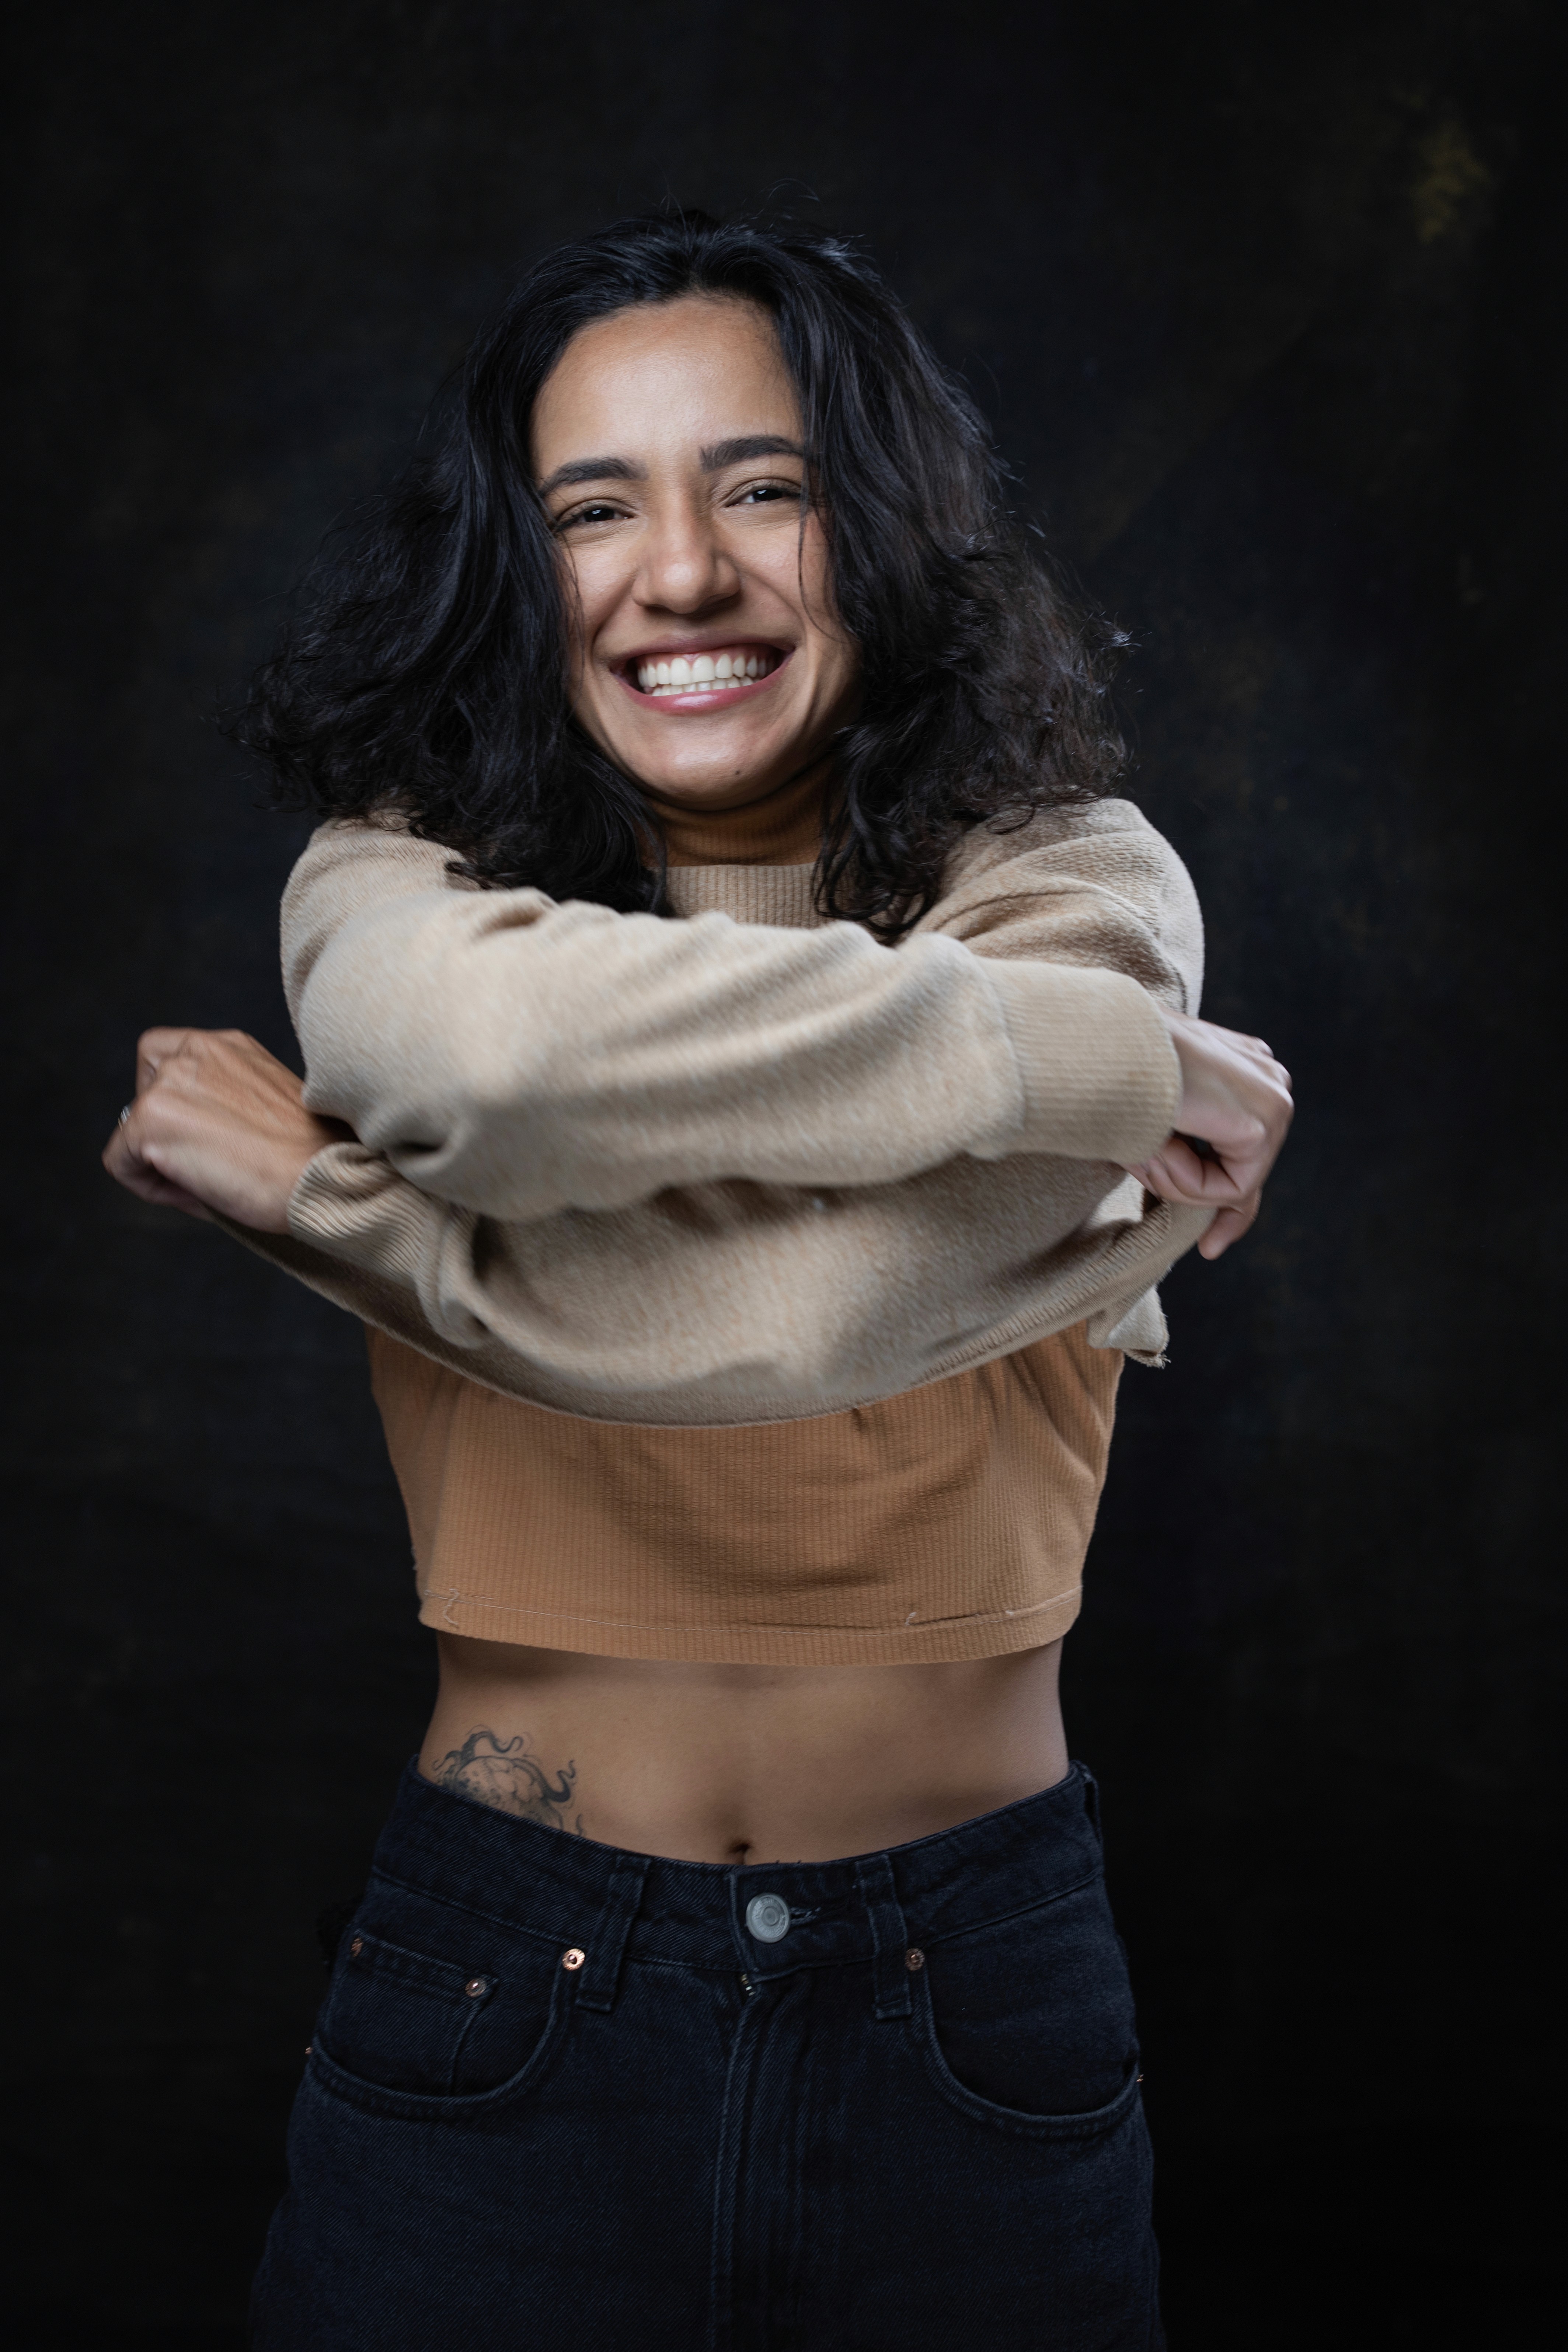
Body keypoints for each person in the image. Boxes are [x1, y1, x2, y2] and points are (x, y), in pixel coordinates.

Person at [104, 212, 1291, 2351]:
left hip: (974, 2002)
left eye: (767, 486)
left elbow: (805, 1325)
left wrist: (345, 1214)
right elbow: (478, 1051)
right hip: (502, 1986)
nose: (683, 576)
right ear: (515, 564)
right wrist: (1084, 1081)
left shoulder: (1073, 880)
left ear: (886, 528)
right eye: (595, 508)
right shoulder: (401, 888)